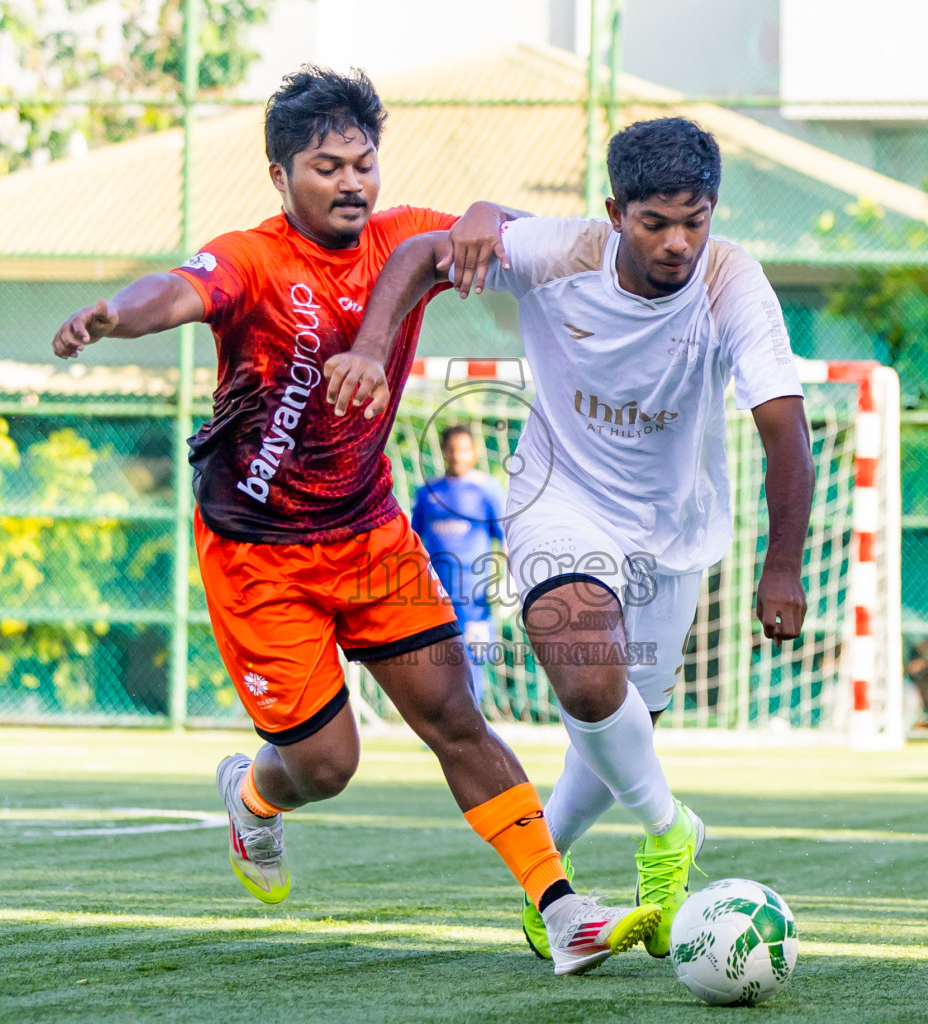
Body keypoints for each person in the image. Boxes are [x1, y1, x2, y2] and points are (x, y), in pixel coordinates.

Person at [52, 66, 656, 975]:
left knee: (455, 713)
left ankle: (561, 908)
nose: (350, 183)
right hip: (258, 558)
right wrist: (113, 316)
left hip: (369, 533)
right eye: (326, 166)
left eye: (363, 164)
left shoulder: (403, 235)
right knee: (328, 766)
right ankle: (254, 797)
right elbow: (175, 291)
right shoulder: (251, 258)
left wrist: (486, 211)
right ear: (280, 175)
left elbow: (510, 236)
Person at [339, 116, 815, 959]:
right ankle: (669, 831)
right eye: (654, 222)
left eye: (695, 221)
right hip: (558, 499)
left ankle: (546, 884)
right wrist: (374, 349)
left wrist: (783, 566)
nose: (677, 243)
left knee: (621, 726)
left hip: (675, 531)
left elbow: (786, 431)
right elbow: (417, 254)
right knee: (589, 676)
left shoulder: (731, 282)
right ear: (615, 212)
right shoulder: (559, 252)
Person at [410, 425, 506, 706]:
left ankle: (474, 717)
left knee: (472, 657)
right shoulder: (427, 492)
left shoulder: (487, 489)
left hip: (475, 595)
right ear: (443, 452)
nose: (457, 455)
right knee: (438, 659)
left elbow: (505, 538)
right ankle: (445, 718)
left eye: (464, 449)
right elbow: (413, 541)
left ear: (474, 452)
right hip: (434, 593)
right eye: (452, 449)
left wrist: (508, 581)